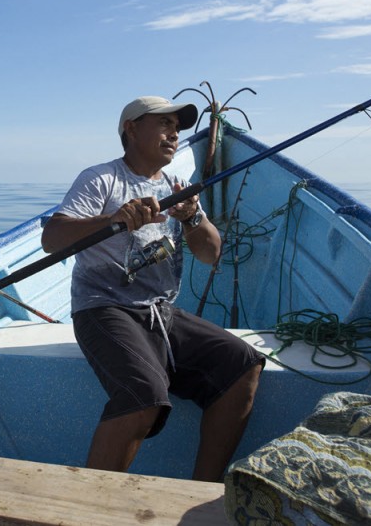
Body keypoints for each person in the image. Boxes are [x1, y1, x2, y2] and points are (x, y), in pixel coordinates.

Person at [41, 95, 264, 482]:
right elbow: (52, 238)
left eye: (177, 126)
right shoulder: (101, 178)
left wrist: (193, 216)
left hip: (160, 312)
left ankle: (201, 490)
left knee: (243, 363)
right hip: (104, 308)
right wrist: (114, 219)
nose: (174, 131)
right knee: (144, 394)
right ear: (130, 129)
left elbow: (211, 254)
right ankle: (89, 507)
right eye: (163, 123)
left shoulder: (177, 187)